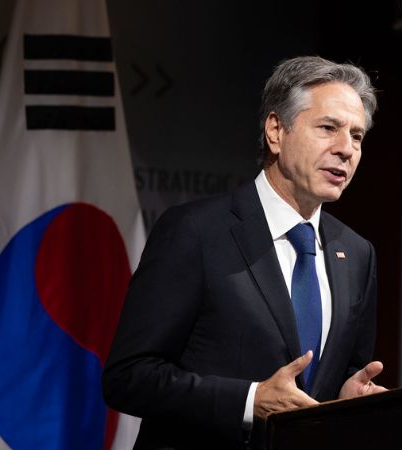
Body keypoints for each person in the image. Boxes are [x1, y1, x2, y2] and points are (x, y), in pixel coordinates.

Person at [102, 56, 386, 450]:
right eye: (328, 128)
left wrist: (346, 397)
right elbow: (128, 377)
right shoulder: (196, 232)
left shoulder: (356, 254)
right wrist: (250, 401)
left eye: (357, 136)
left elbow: (336, 377)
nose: (346, 149)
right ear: (276, 131)